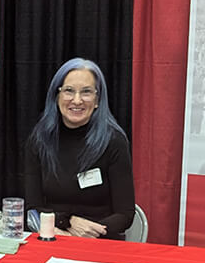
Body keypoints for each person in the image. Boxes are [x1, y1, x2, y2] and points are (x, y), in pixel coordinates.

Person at [23, 58, 134, 239]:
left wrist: (88, 233)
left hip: (100, 240)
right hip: (54, 235)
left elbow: (125, 214)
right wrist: (67, 223)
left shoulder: (114, 141)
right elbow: (32, 209)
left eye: (86, 92)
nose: (77, 100)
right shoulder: (39, 140)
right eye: (69, 91)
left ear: (98, 100)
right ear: (56, 96)